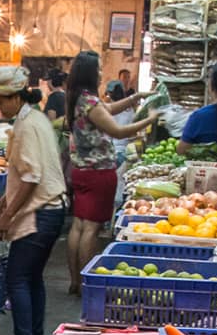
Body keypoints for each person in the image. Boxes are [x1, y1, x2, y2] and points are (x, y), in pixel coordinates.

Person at [0, 64, 67, 335]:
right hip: (53, 208)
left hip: (41, 212)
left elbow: (32, 177)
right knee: (32, 277)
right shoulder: (34, 118)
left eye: (1, 100)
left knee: (17, 278)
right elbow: (28, 172)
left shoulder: (27, 125)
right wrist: (8, 199)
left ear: (16, 97)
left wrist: (7, 217)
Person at [62, 50, 155, 280]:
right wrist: (149, 120)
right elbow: (117, 130)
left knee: (79, 225)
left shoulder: (76, 97)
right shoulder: (90, 101)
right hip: (98, 171)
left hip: (81, 170)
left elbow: (108, 110)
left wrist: (134, 99)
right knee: (91, 229)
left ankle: (75, 281)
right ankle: (86, 281)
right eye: (99, 69)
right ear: (90, 74)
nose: (102, 73)